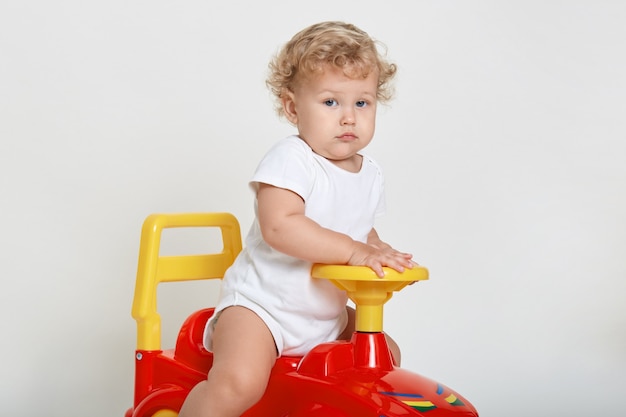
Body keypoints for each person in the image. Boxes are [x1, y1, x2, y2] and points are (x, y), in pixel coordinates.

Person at [179, 21, 415, 417]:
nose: (348, 118)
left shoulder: (369, 172)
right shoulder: (292, 159)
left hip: (325, 314)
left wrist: (378, 250)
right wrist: (354, 252)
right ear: (292, 107)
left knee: (385, 355)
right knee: (240, 383)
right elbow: (280, 226)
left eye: (362, 103)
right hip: (262, 310)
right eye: (330, 102)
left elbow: (358, 227)